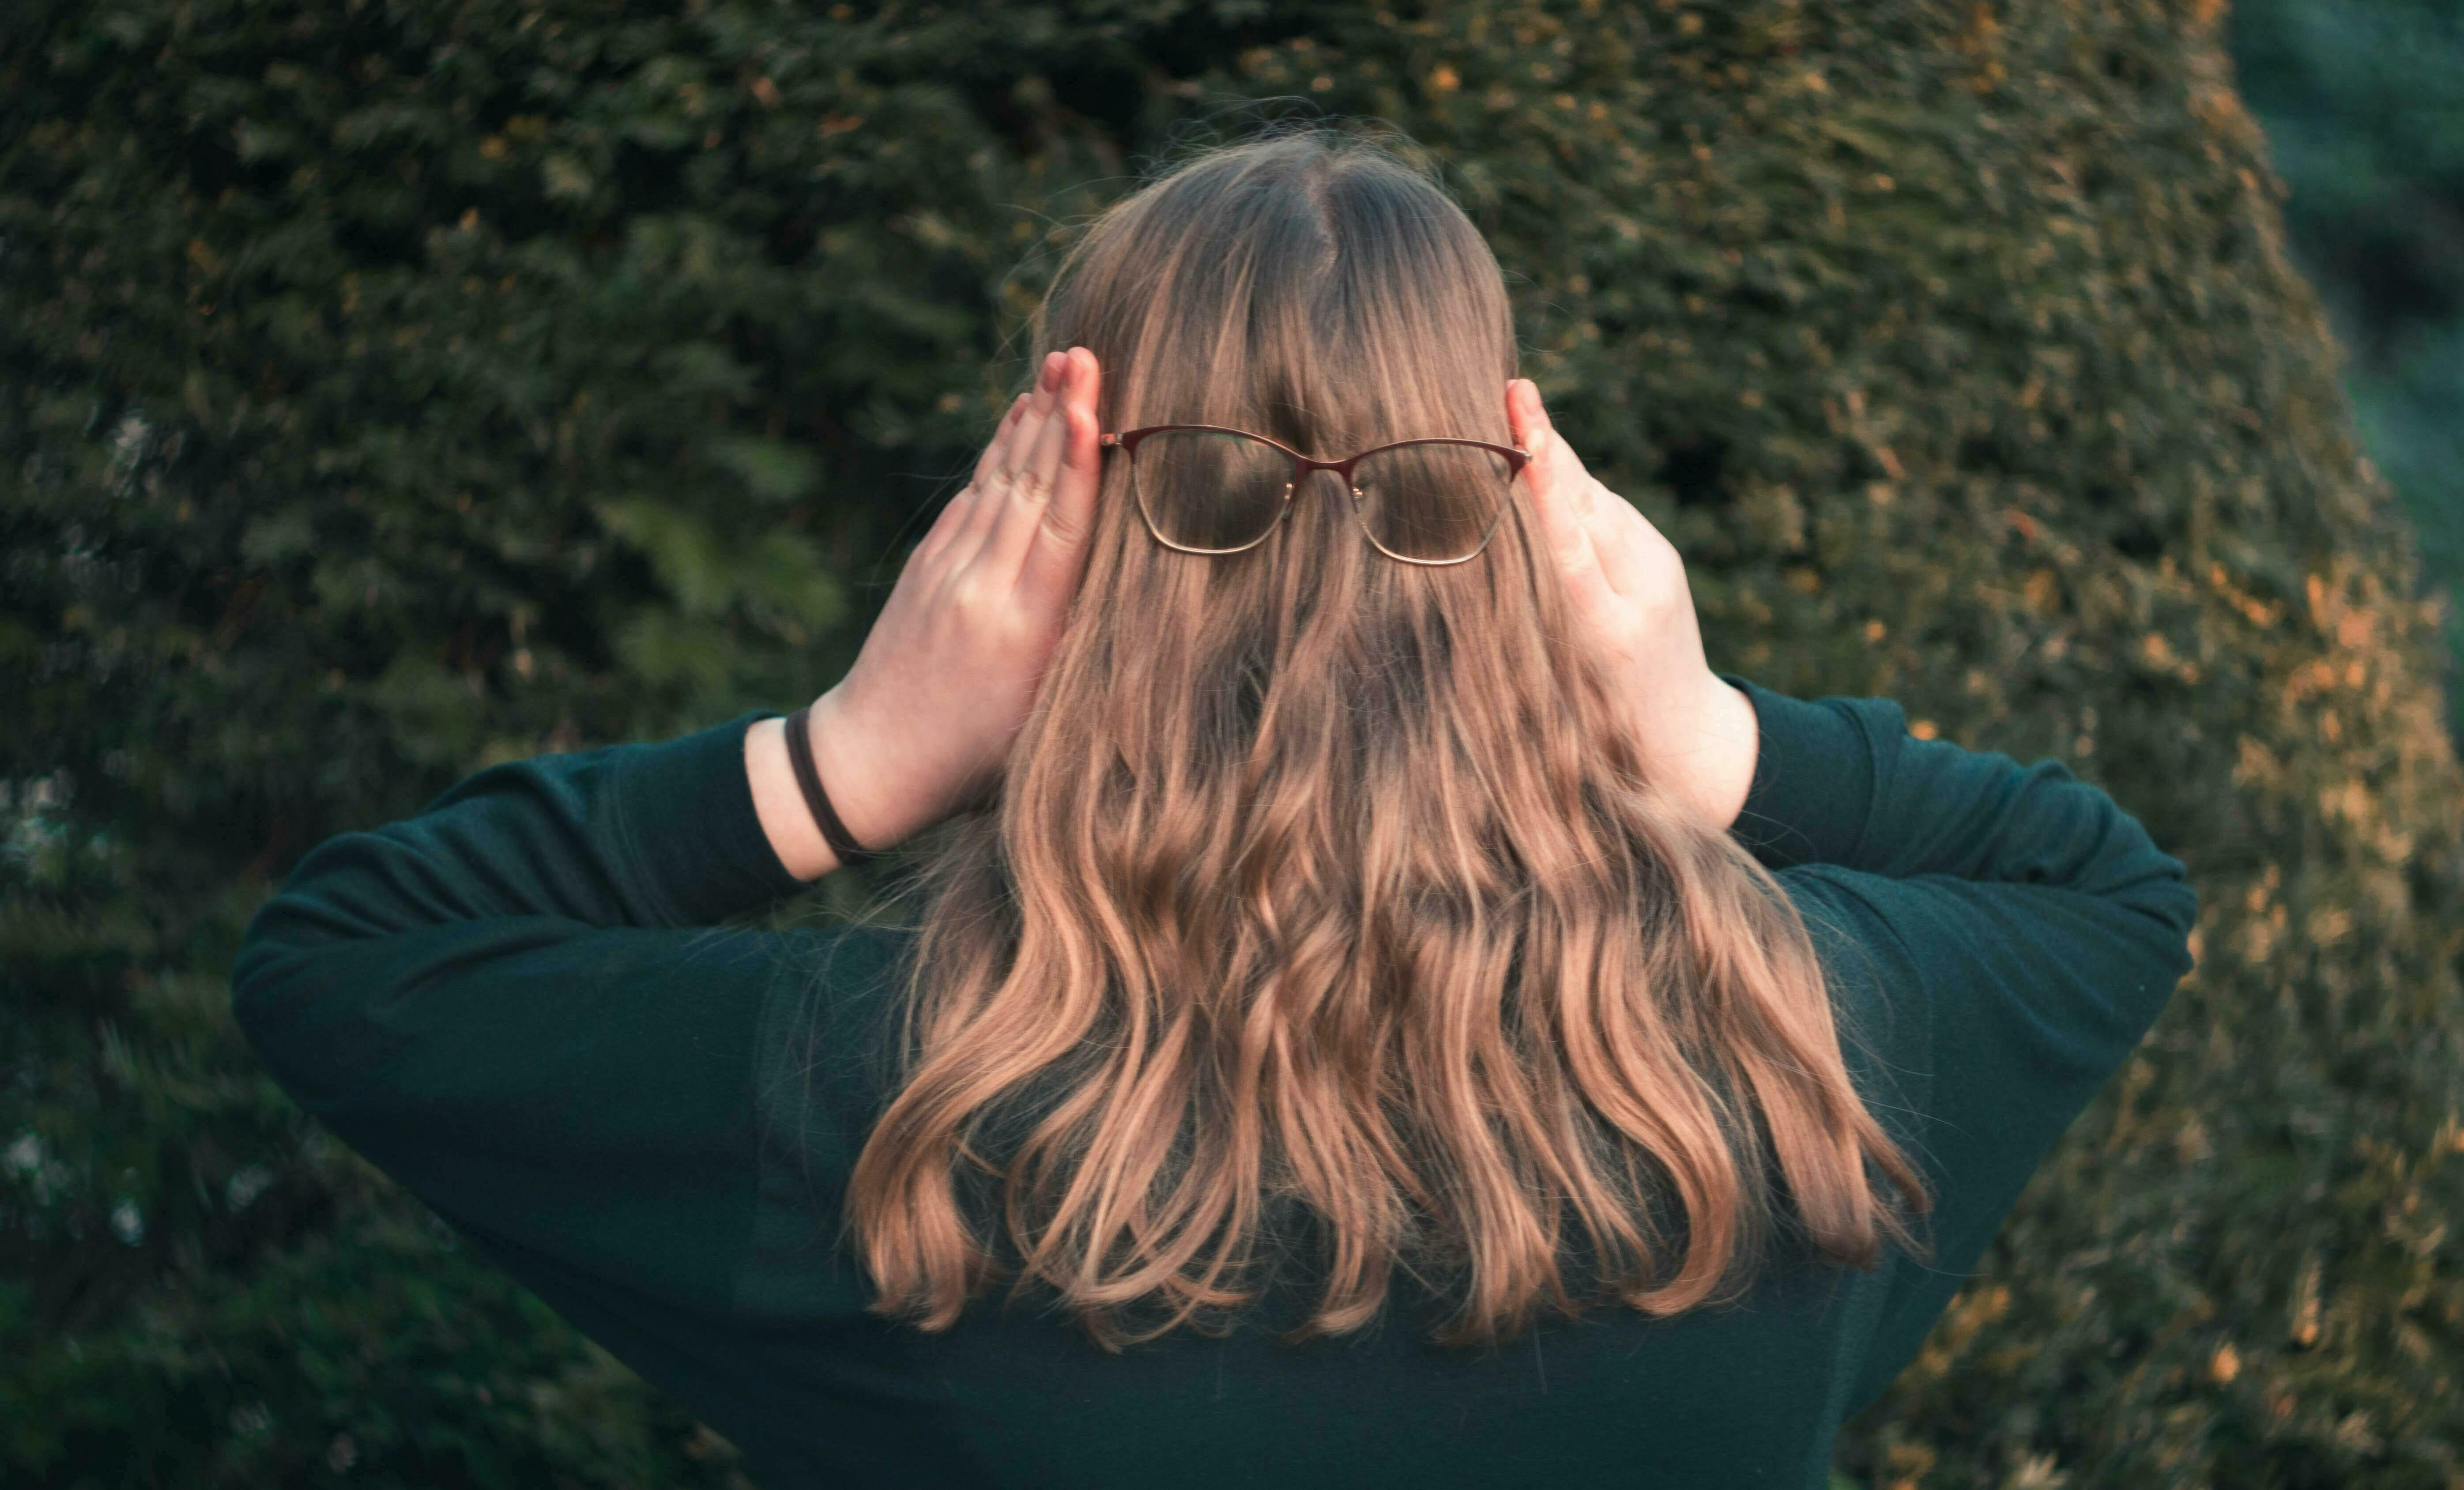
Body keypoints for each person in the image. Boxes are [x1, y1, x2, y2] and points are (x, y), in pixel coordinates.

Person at [232, 125, 2196, 1489]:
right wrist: (1704, 738)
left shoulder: (881, 1109)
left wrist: (856, 753)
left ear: (1069, 541)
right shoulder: (1796, 1056)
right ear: (1511, 526)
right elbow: (2105, 883)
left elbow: (345, 962)